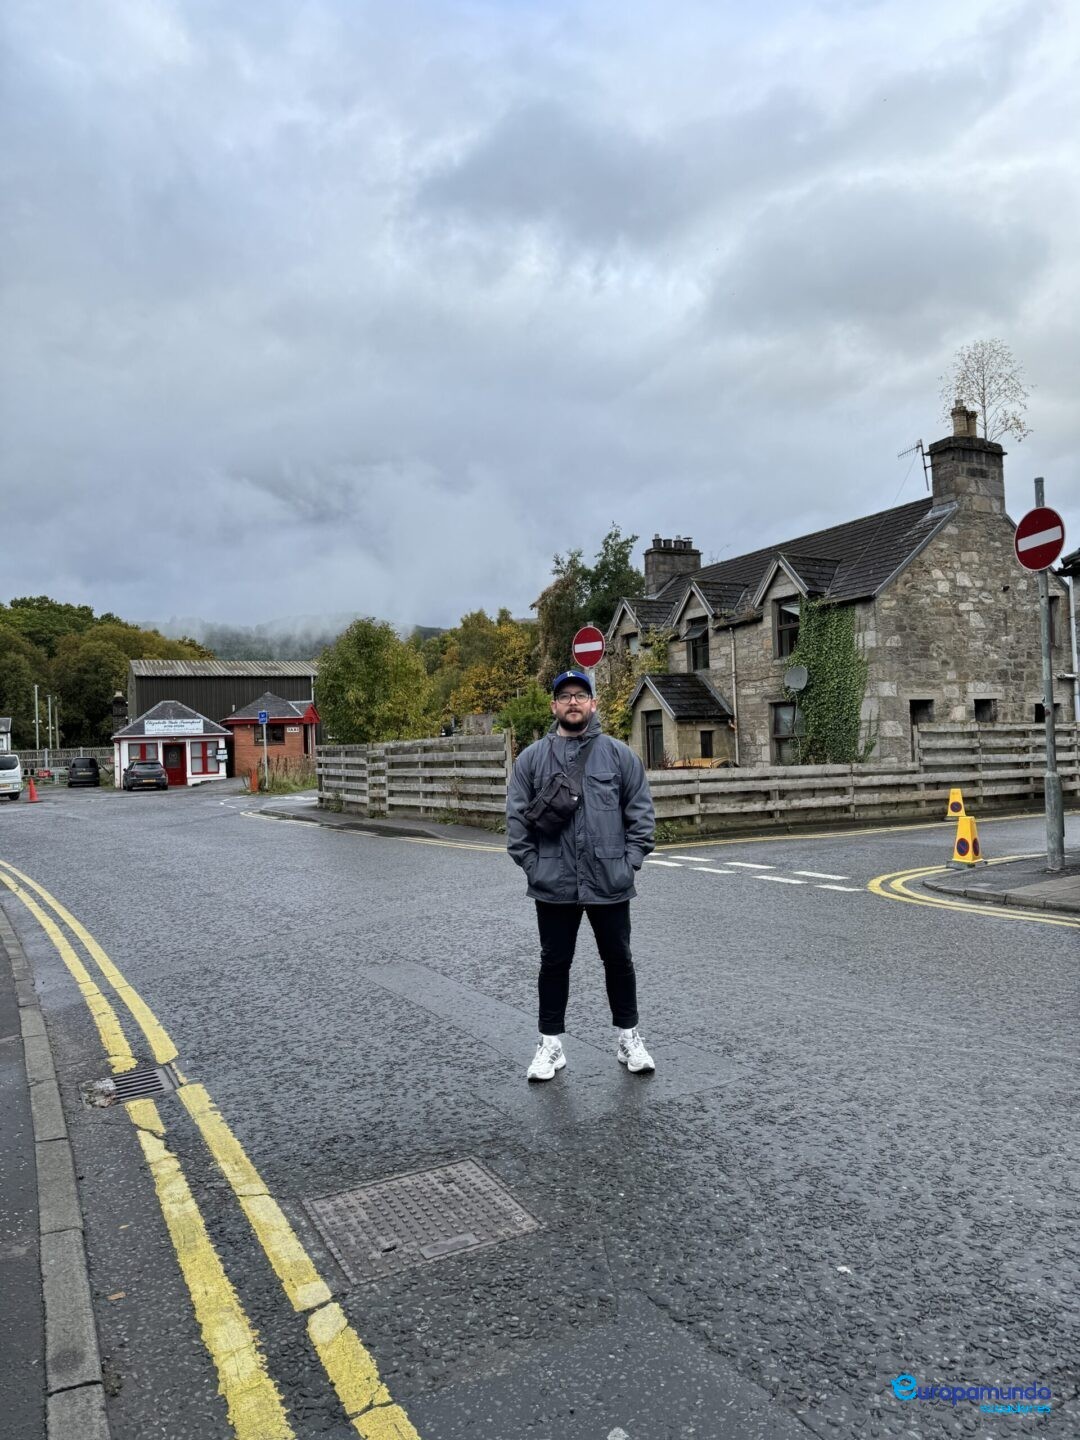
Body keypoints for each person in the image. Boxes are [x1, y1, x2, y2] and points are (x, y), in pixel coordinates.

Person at [506, 669, 656, 1081]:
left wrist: (629, 863)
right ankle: (550, 1045)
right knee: (554, 962)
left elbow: (641, 816)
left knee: (619, 960)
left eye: (581, 695)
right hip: (553, 882)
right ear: (554, 706)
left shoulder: (620, 755)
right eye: (565, 696)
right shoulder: (532, 759)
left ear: (593, 704)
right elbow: (517, 824)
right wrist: (534, 867)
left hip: (610, 879)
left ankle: (629, 1037)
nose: (573, 702)